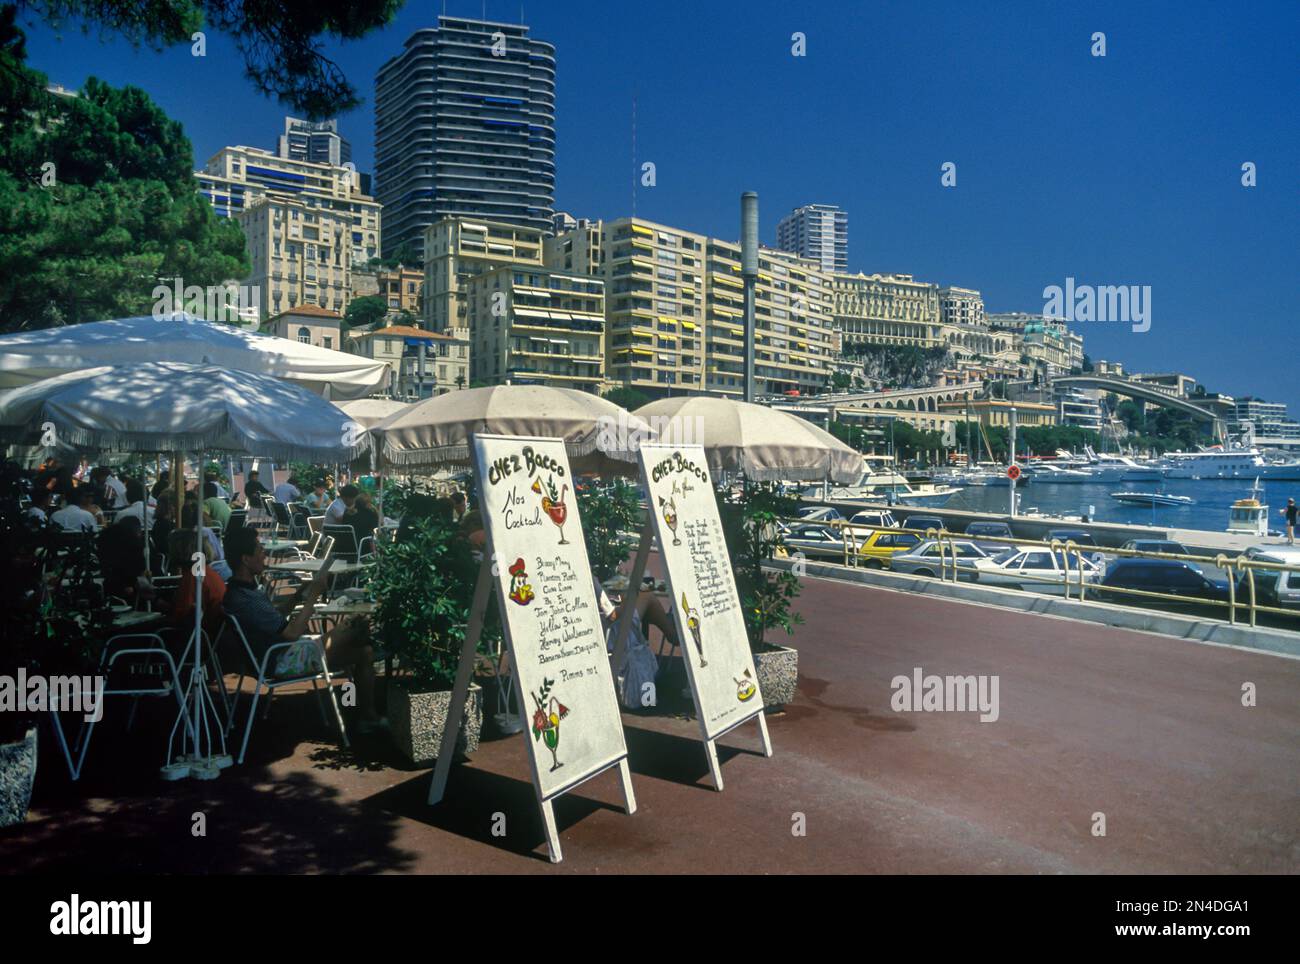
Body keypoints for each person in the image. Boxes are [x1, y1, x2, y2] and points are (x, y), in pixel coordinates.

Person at [222, 527, 385, 731]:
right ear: (245, 559)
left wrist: (298, 595)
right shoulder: (247, 599)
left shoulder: (240, 591)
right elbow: (291, 633)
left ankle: (363, 713)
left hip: (277, 655)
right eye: (259, 548)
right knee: (356, 623)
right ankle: (364, 703)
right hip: (283, 661)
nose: (264, 552)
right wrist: (314, 594)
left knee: (364, 652)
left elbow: (275, 617)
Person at [167, 529, 226, 635]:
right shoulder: (205, 571)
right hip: (211, 633)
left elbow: (181, 615)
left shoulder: (193, 577)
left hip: (199, 637)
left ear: (181, 550)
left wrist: (157, 602)